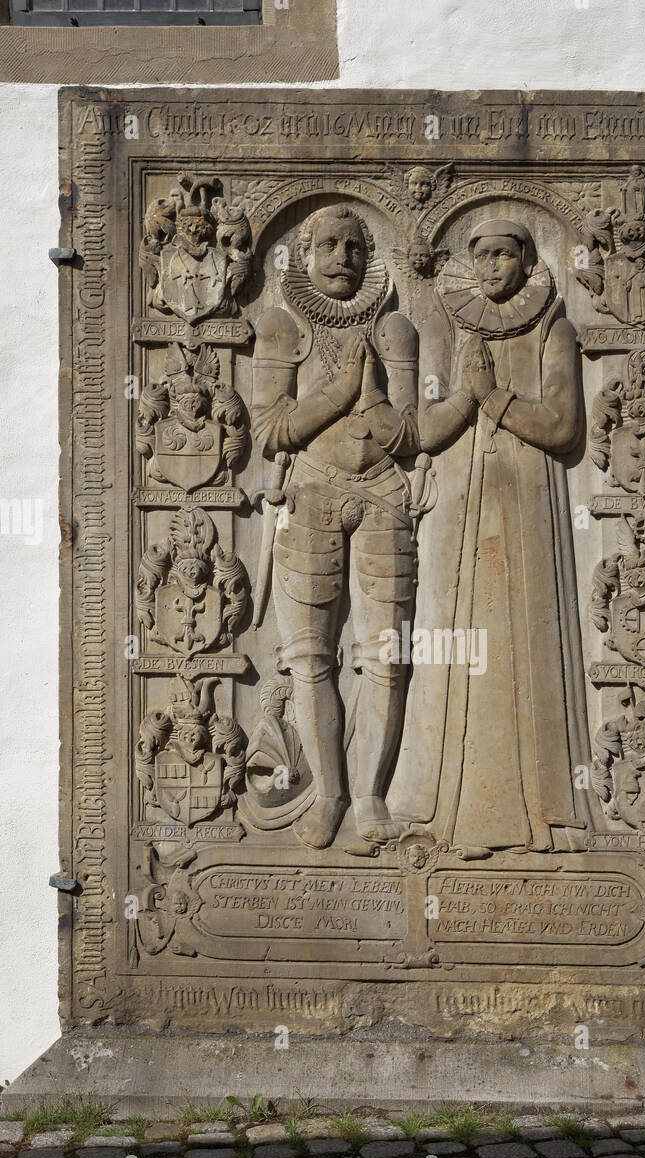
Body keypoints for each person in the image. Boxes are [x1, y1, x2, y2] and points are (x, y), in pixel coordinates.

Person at [388, 217, 596, 852]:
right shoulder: (444, 324)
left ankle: (543, 812)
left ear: (527, 261)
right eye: (482, 256)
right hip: (456, 499)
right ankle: (445, 811)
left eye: (506, 255)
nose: (492, 267)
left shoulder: (553, 327)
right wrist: (463, 400)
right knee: (451, 640)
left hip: (528, 497)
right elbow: (417, 427)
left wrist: (495, 398)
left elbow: (561, 425)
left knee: (526, 639)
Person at [251, 204, 419, 848]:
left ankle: (372, 796)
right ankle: (329, 794)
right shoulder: (280, 325)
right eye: (331, 246)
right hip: (311, 494)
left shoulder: (396, 329)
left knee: (386, 659)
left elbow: (408, 436)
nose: (344, 257)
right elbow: (270, 430)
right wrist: (339, 392)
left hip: (382, 495)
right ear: (307, 253)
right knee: (310, 660)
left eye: (355, 247)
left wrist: (369, 399)